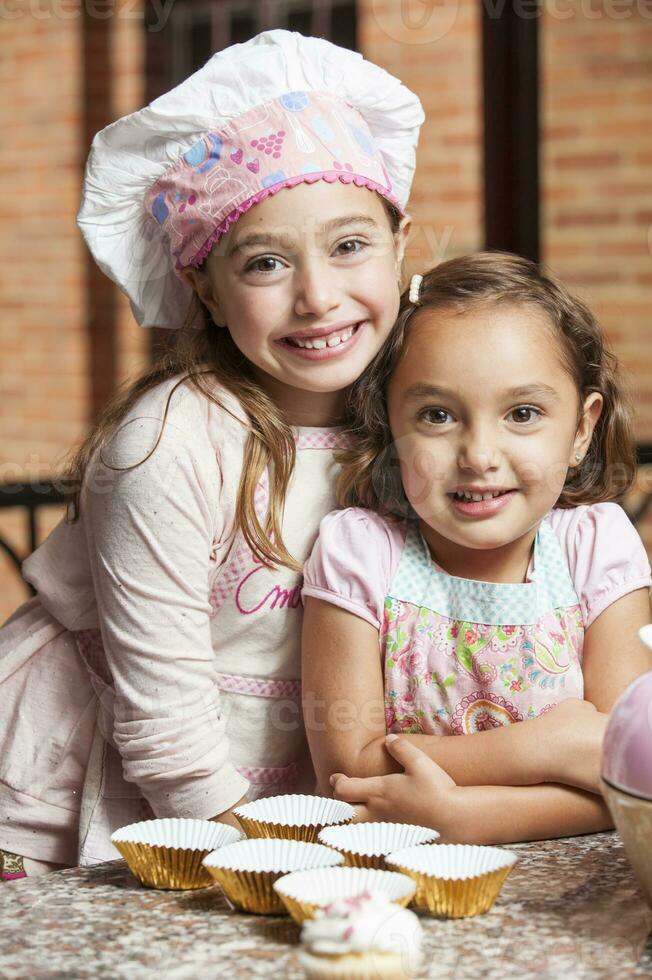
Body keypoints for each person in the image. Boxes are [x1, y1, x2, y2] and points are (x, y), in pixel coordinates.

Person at [0, 30, 424, 878]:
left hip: (266, 807)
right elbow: (169, 741)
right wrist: (290, 876)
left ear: (401, 239)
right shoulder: (170, 443)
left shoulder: (412, 415)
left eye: (349, 245)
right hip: (75, 798)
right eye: (265, 261)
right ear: (202, 284)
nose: (318, 297)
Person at [301, 252, 652, 844]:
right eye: (437, 415)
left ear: (581, 428)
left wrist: (468, 816)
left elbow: (629, 769)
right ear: (389, 424)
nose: (479, 454)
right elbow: (347, 771)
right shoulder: (360, 553)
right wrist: (545, 748)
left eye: (523, 413)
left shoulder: (597, 548)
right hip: (394, 885)